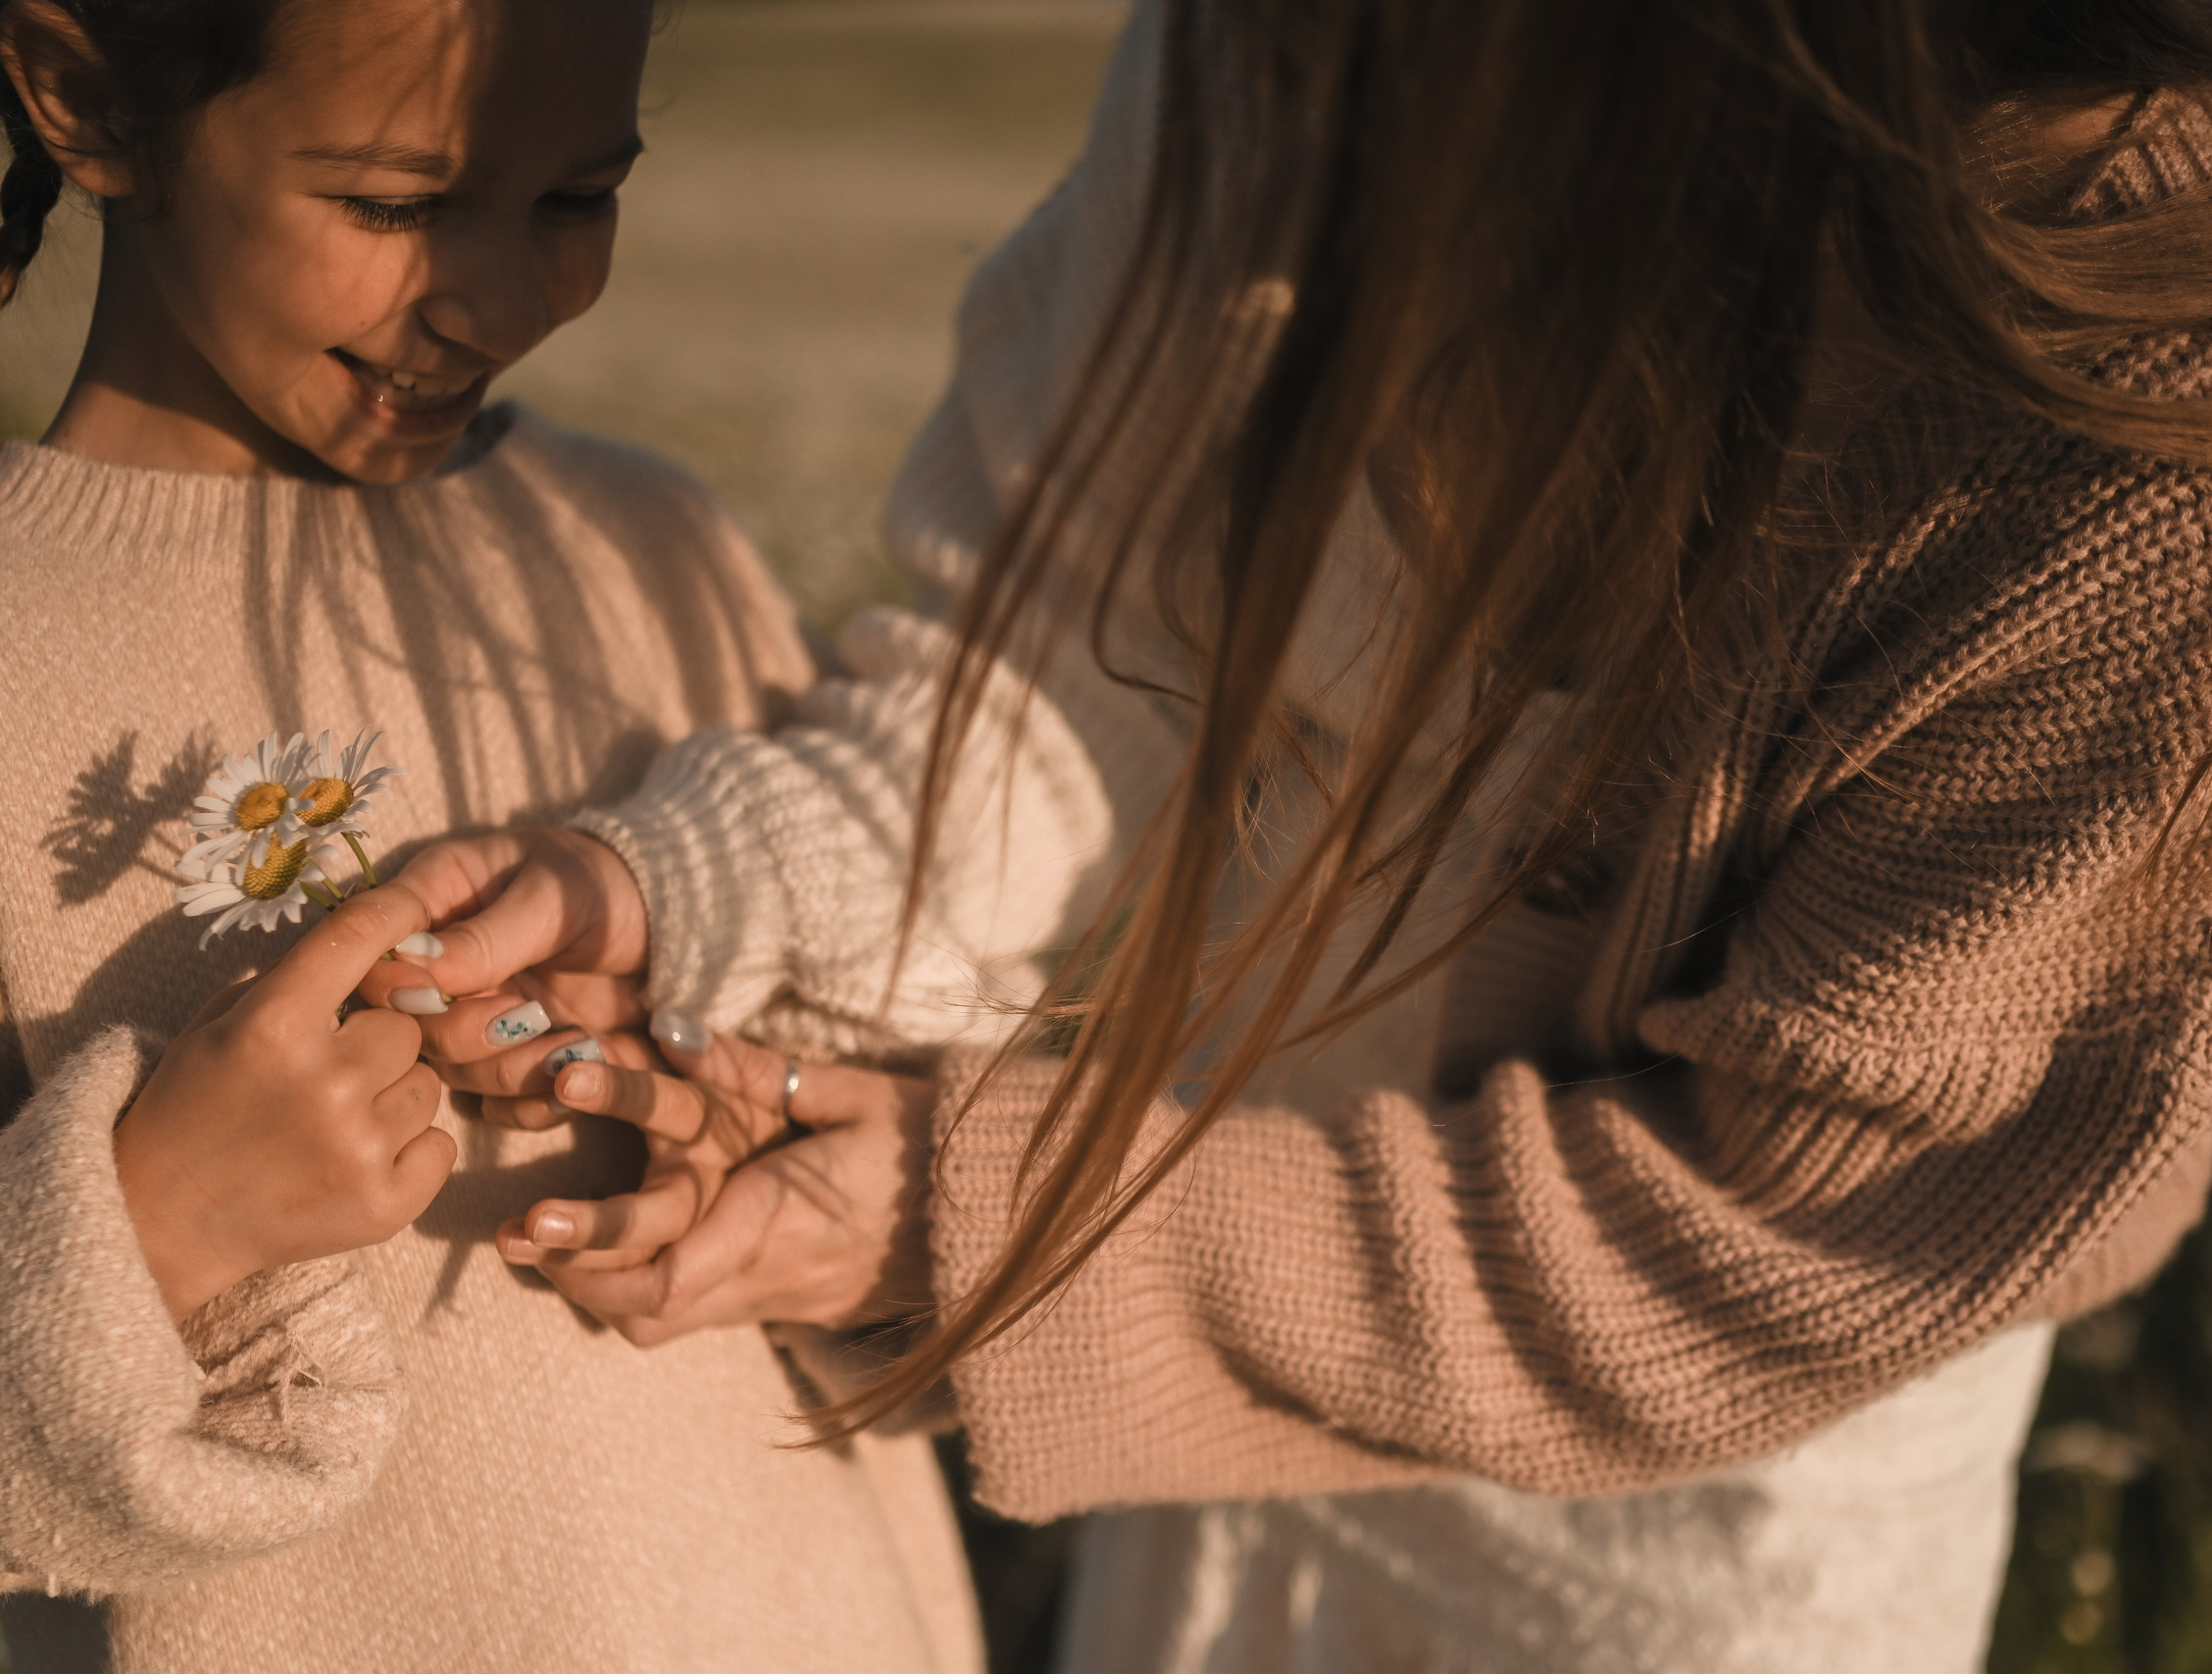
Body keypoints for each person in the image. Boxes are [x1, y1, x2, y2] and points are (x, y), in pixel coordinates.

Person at [356, 0, 2212, 1667]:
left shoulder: (2153, 463)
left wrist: (965, 1223)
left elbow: (1794, 1234)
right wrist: (683, 895)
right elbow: (1066, 654)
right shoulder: (1308, 48)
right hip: (1192, 1472)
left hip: (1687, 1570)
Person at [0, 3, 980, 1671]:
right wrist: (159, 1218)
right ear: (80, 94)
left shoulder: (653, 547)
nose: (503, 298)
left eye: (577, 200)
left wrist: (787, 1192)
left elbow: (912, 1180)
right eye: (393, 205)